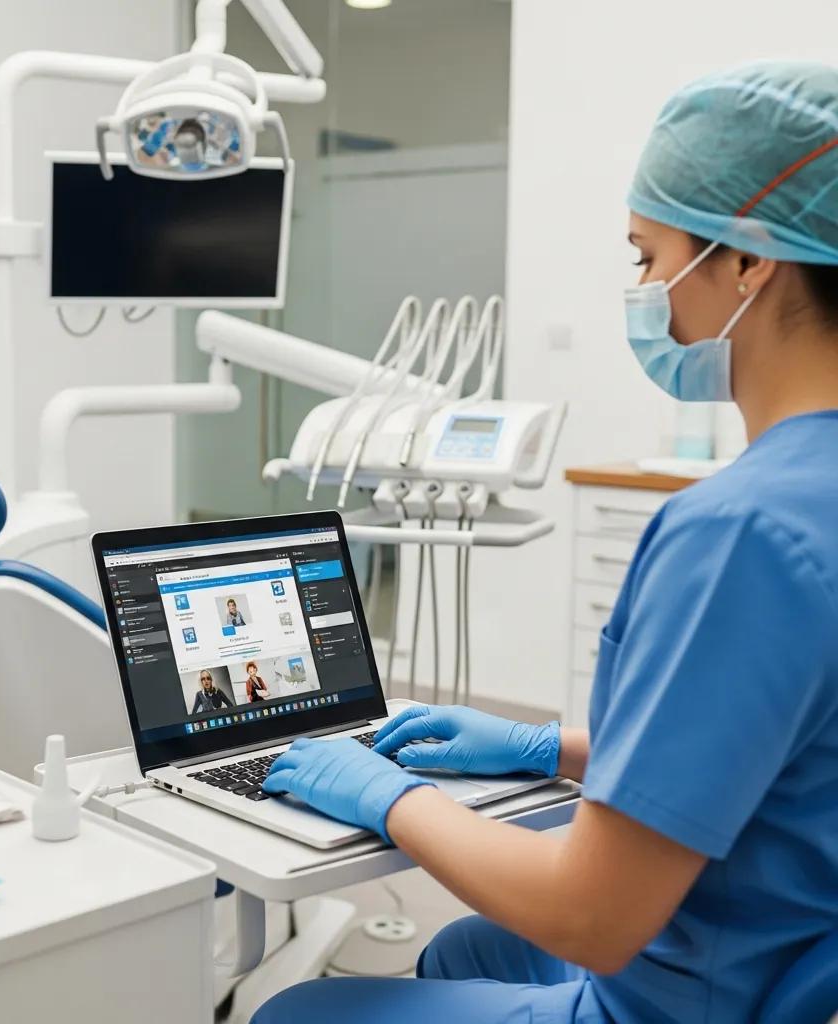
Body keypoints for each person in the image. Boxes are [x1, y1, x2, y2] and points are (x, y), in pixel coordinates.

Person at [253, 61, 838, 1024]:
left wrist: (388, 798)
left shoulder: (742, 534)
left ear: (748, 260)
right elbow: (777, 744)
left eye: (650, 258)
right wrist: (546, 745)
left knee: (293, 1016)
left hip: (697, 994)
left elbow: (591, 918)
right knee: (465, 948)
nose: (647, 292)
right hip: (785, 940)